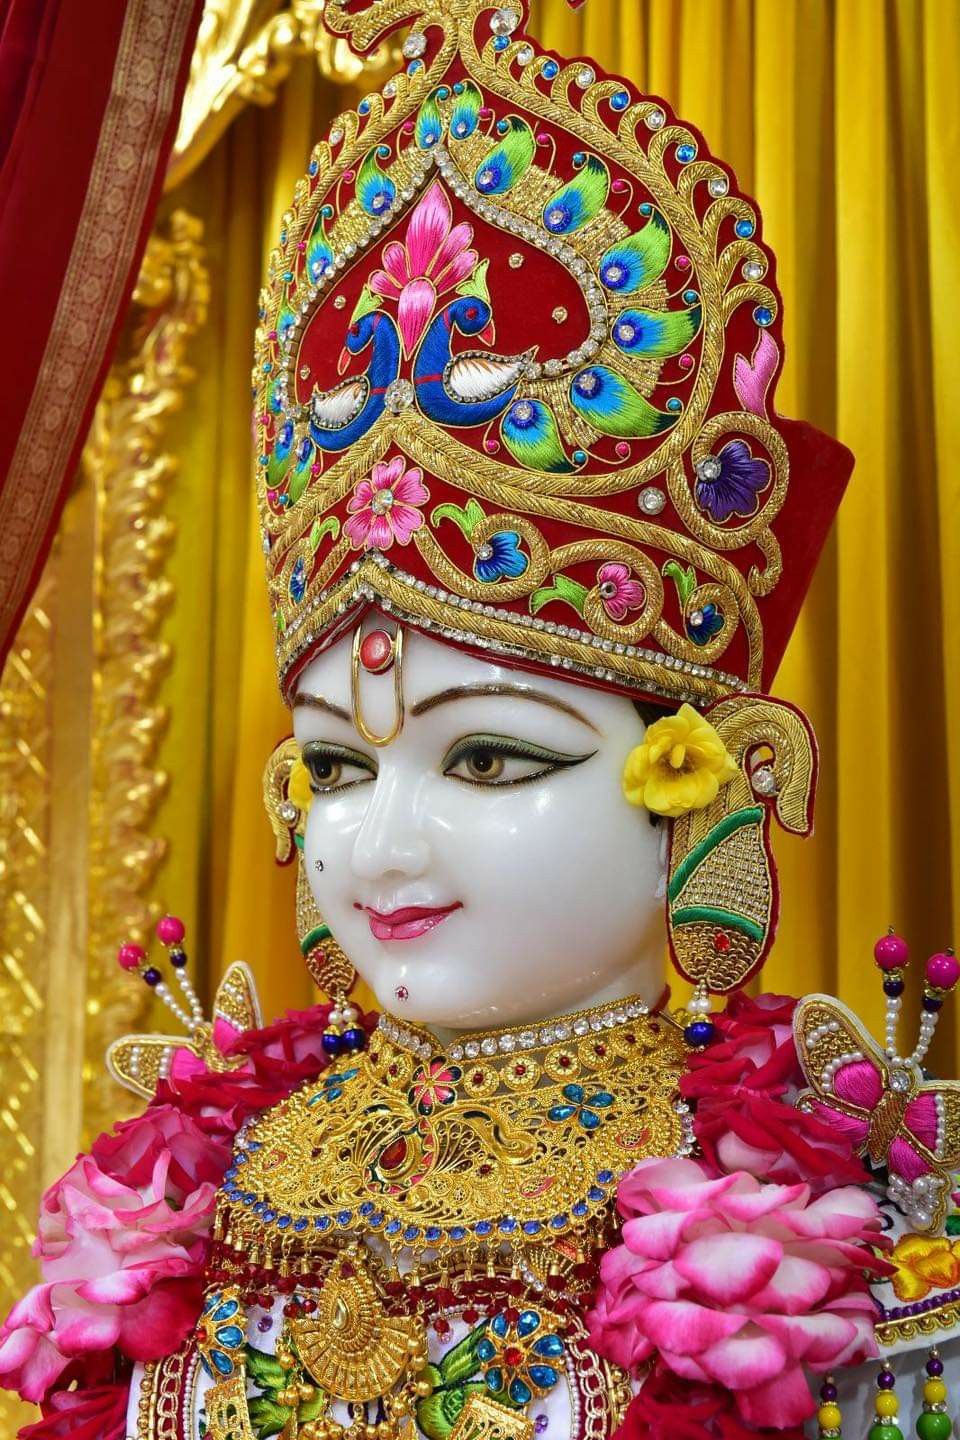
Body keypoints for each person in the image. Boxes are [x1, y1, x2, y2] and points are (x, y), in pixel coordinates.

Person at [2, 2, 957, 1438]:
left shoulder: (854, 1229)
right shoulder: (186, 1185)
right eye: (333, 764)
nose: (378, 844)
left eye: (492, 754)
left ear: (707, 784)